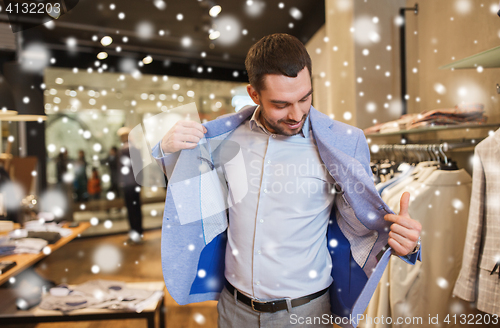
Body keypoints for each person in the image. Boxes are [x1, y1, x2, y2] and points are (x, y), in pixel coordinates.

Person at [153, 33, 422, 328]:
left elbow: (362, 224)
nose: (296, 114)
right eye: (281, 104)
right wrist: (165, 150)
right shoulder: (223, 138)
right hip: (233, 310)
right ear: (254, 94)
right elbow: (193, 201)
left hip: (305, 314)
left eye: (305, 98)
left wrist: (405, 243)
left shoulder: (345, 142)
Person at [117, 127, 144, 244]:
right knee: (132, 209)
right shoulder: (131, 150)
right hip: (130, 184)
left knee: (134, 209)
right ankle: (135, 232)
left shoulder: (130, 150)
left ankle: (136, 232)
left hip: (131, 184)